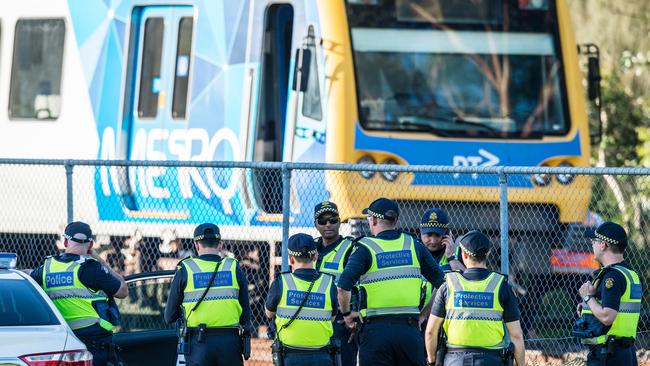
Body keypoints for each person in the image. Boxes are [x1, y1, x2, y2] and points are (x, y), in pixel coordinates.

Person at [337, 197, 445, 366]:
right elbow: (443, 284)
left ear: (373, 220)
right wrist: (424, 314)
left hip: (375, 333)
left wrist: (346, 315)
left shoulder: (365, 248)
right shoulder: (413, 245)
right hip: (409, 331)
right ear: (396, 221)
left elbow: (343, 287)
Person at [31, 221, 128, 366]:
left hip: (62, 339)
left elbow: (28, 279)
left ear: (65, 241)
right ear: (90, 245)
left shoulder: (47, 267)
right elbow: (123, 291)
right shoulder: (91, 268)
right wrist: (100, 260)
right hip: (95, 344)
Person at [424, 230, 525, 366]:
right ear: (487, 254)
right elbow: (516, 335)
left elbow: (430, 331)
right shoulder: (501, 286)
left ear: (464, 254)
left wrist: (431, 361)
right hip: (492, 360)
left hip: (455, 360)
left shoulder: (448, 285)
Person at [164, 223, 251, 366]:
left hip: (199, 345)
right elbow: (245, 315)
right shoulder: (234, 268)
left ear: (197, 245)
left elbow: (169, 316)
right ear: (220, 245)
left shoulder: (185, 269)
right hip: (230, 344)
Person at [265, 233, 338, 366]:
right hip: (322, 357)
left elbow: (269, 313)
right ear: (315, 256)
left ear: (291, 259)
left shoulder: (280, 283)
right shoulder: (328, 284)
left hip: (289, 357)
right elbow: (332, 318)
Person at [576, 221, 642, 366]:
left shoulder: (612, 278)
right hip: (625, 353)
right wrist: (588, 305)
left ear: (603, 245)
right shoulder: (629, 274)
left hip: (608, 355)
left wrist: (587, 297)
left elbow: (607, 316)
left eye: (594, 241)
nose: (592, 245)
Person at [313, 201, 359, 366]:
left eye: (333, 220)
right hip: (313, 319)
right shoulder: (309, 247)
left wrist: (352, 313)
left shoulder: (351, 248)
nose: (328, 225)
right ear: (315, 224)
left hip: (340, 321)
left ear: (340, 221)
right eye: (322, 221)